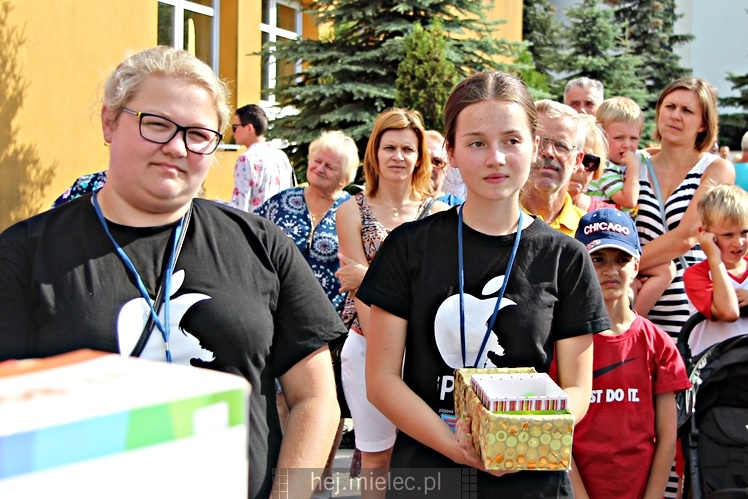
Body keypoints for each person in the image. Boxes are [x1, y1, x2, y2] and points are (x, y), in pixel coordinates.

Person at [0, 46, 343, 499]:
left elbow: (316, 400)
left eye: (200, 134)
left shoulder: (261, 244)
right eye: (156, 124)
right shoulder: (25, 255)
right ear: (109, 122)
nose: (177, 147)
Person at [359, 71, 611, 497]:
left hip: (531, 479)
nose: (495, 157)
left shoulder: (565, 257)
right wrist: (457, 448)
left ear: (533, 146)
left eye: (511, 140)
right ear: (452, 153)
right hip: (431, 477)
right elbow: (382, 381)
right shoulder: (409, 247)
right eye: (476, 142)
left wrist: (515, 437)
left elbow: (577, 388)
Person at [335, 108, 449, 497]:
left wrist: (370, 278)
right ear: (375, 154)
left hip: (424, 351)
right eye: (389, 148)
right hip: (367, 347)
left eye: (407, 148)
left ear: (420, 156)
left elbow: (435, 290)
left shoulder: (437, 213)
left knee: (423, 452)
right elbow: (356, 292)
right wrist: (369, 287)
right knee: (376, 456)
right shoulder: (352, 211)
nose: (398, 156)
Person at [569, 208, 691, 499]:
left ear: (636, 265)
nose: (611, 270)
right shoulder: (566, 343)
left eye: (622, 259)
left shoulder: (658, 342)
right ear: (580, 265)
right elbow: (556, 434)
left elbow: (666, 437)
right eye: (598, 259)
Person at [635, 77, 735, 339]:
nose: (675, 116)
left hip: (688, 309)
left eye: (687, 111)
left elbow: (687, 236)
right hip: (636, 303)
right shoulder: (635, 166)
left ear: (703, 124)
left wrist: (622, 266)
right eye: (670, 107)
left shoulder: (715, 169)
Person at [255, 130, 359, 311]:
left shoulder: (353, 210)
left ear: (344, 179)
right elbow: (250, 237)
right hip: (276, 310)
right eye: (317, 161)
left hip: (330, 318)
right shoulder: (282, 202)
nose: (320, 168)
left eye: (329, 166)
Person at [684, 184, 748, 356]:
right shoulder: (696, 274)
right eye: (728, 235)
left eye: (745, 232)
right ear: (705, 235)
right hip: (713, 375)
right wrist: (714, 258)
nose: (739, 242)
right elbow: (728, 311)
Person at [520, 99, 587, 236]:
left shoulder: (587, 230)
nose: (548, 152)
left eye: (561, 145)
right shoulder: (498, 220)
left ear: (577, 161)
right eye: (540, 142)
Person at [227, 104, 296, 212]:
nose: (232, 132)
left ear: (249, 128)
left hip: (255, 226)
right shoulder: (281, 156)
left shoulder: (246, 159)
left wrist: (215, 204)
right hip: (280, 225)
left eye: (235, 127)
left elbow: (239, 208)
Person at [587, 96, 645, 214]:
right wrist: (633, 167)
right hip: (602, 227)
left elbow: (648, 153)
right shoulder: (602, 168)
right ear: (602, 135)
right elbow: (629, 201)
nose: (627, 145)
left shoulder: (631, 157)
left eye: (633, 138)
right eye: (619, 138)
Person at [568, 114, 613, 213]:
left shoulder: (608, 218)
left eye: (589, 161)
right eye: (574, 158)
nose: (580, 167)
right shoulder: (527, 214)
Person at [425, 130, 464, 207]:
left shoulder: (459, 209)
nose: (428, 168)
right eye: (423, 160)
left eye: (437, 162)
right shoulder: (397, 207)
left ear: (447, 168)